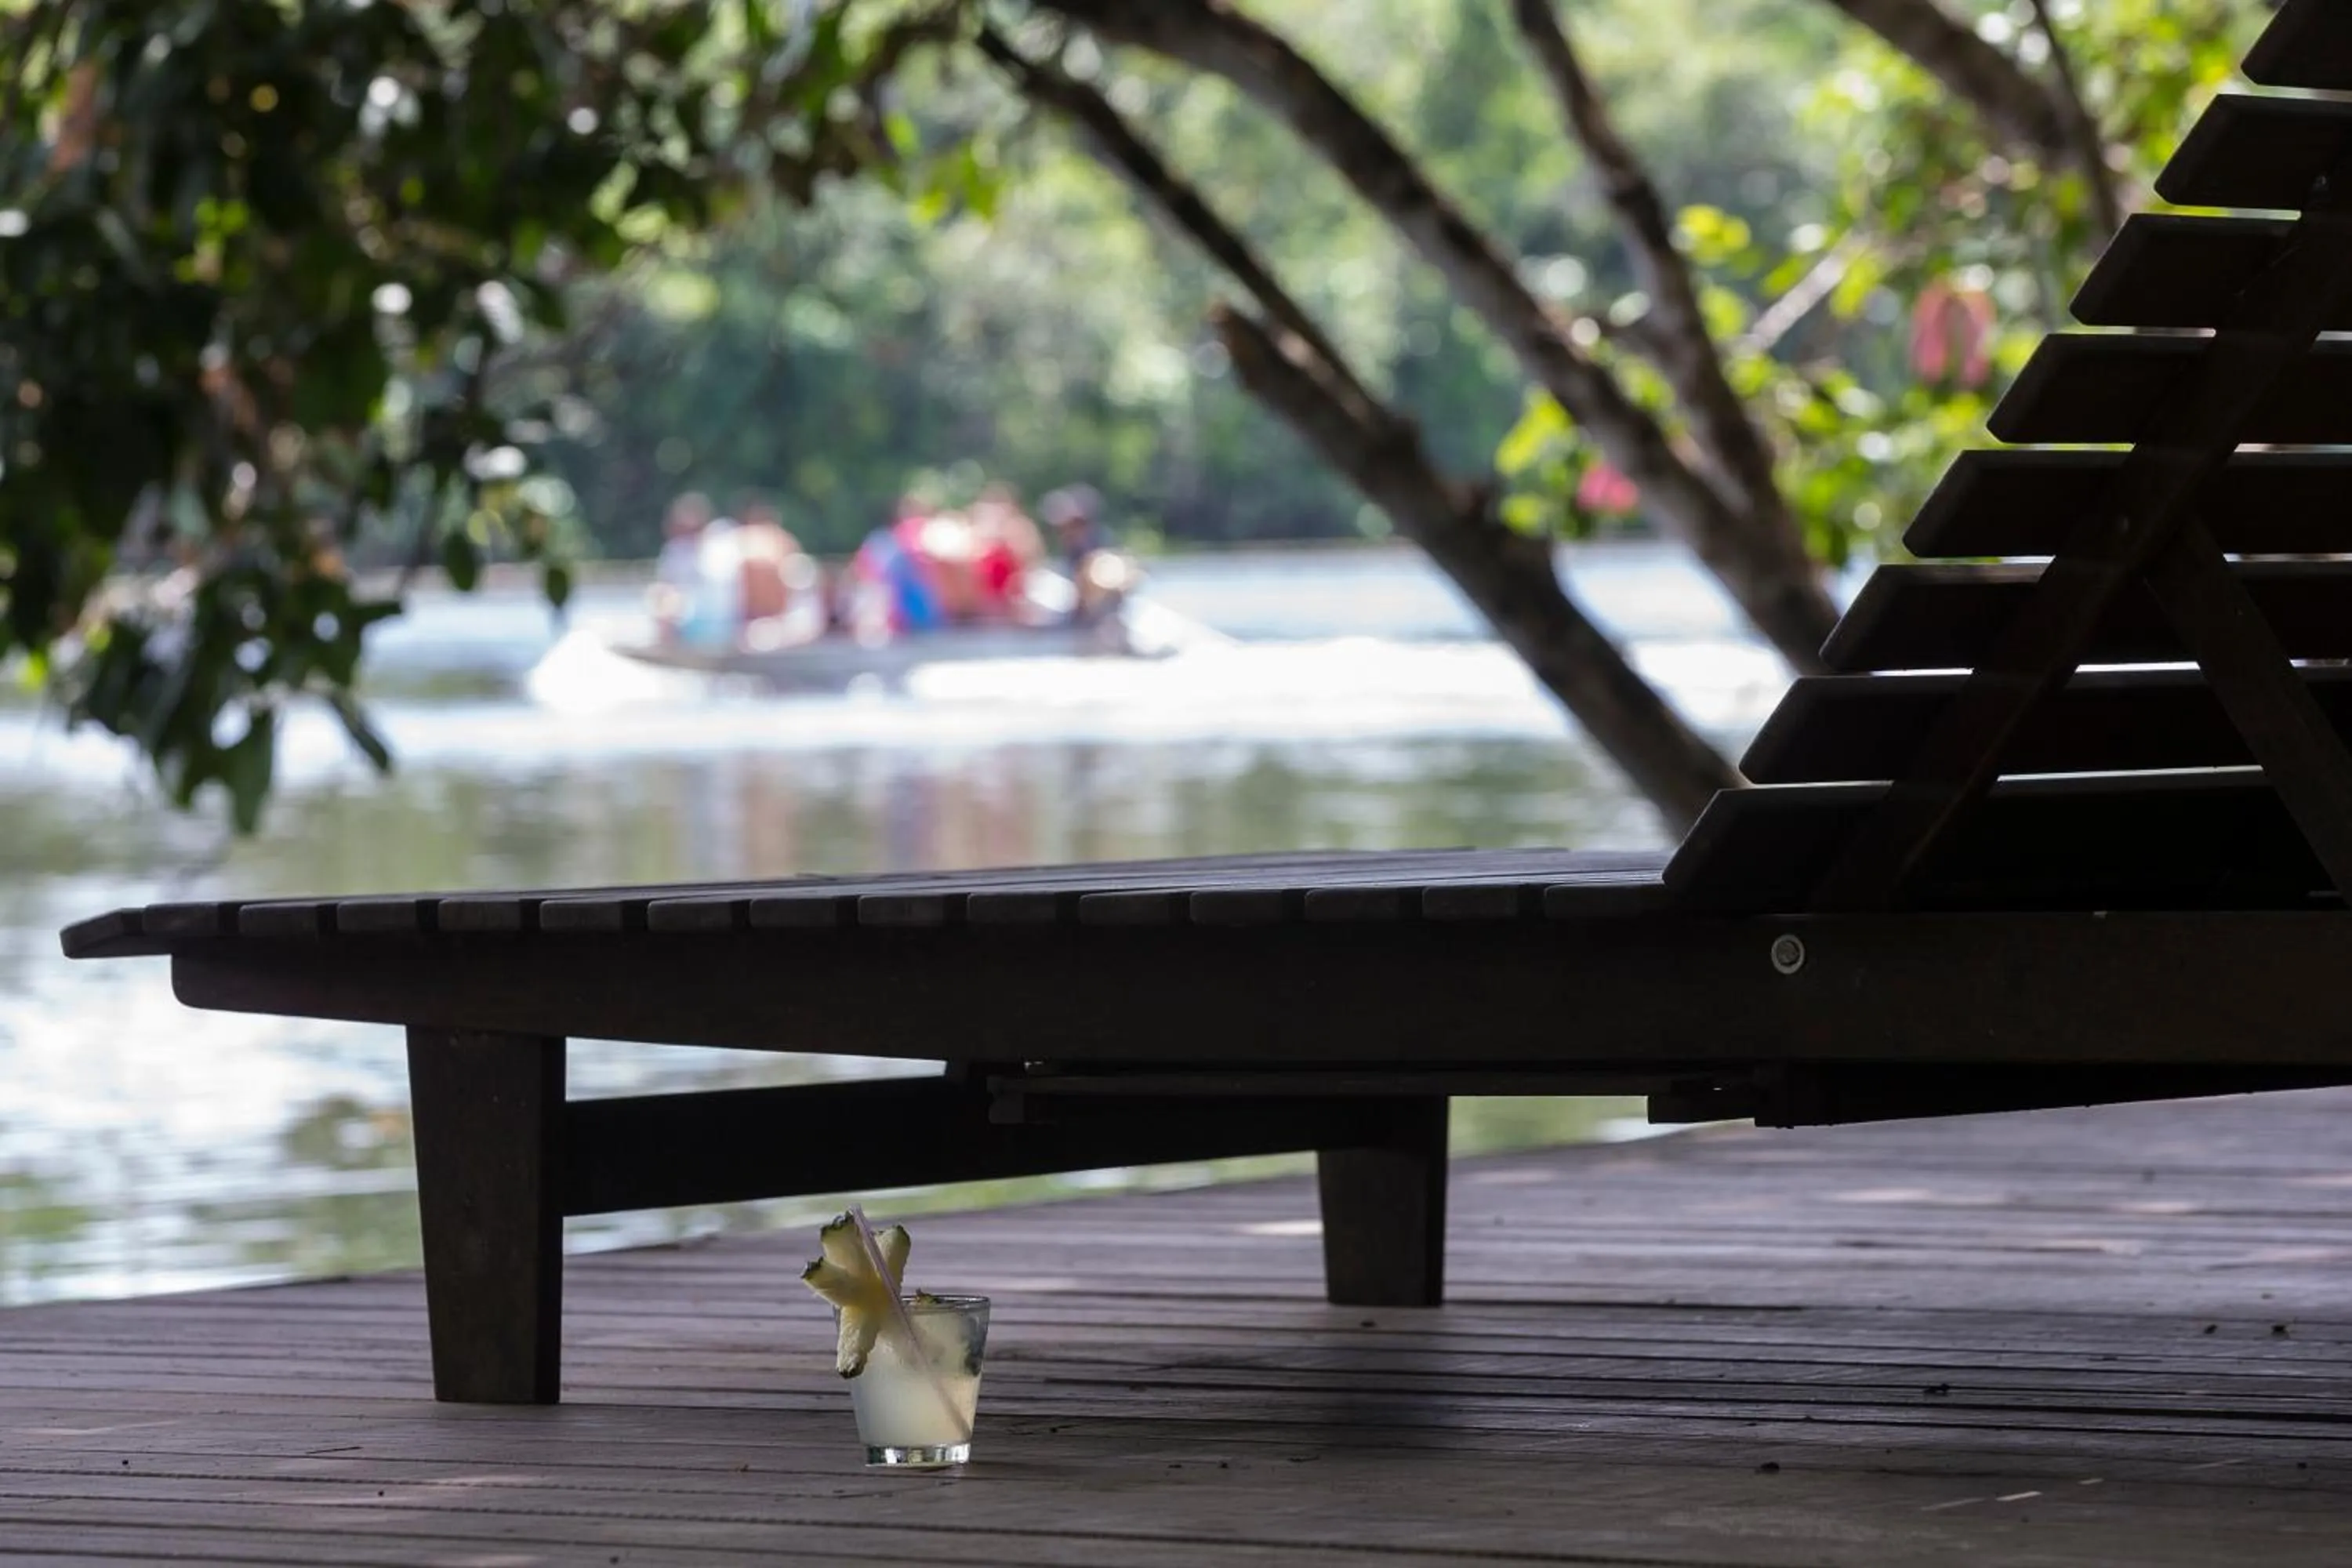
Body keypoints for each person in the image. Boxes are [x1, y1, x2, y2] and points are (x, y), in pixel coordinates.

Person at [652, 492, 712, 644]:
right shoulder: (674, 551)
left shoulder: (714, 548)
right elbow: (665, 585)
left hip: (705, 612)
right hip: (680, 609)